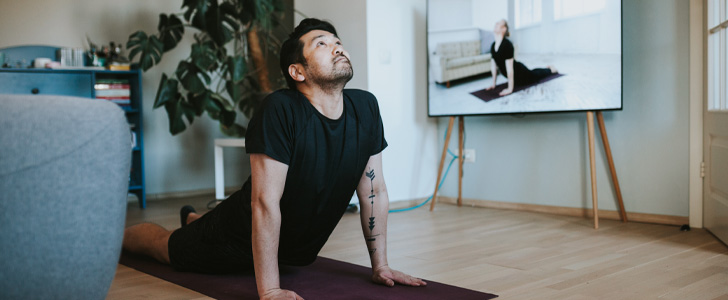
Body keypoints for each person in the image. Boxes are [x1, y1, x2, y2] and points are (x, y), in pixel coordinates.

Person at [122, 18, 426, 300]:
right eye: (321, 43)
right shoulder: (281, 109)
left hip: (293, 251)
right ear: (298, 72)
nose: (337, 47)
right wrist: (270, 290)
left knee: (204, 226)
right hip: (237, 236)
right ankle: (114, 237)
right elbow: (264, 203)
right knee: (165, 247)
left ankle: (194, 218)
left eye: (337, 41)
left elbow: (374, 191)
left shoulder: (365, 107)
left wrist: (381, 267)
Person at [486, 19, 558, 96]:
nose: (496, 23)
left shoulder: (507, 45)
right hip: (515, 76)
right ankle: (547, 68)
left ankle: (550, 69)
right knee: (532, 72)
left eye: (499, 23)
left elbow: (510, 69)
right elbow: (493, 67)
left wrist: (510, 89)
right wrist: (493, 84)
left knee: (534, 75)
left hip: (520, 73)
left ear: (504, 29)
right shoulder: (493, 46)